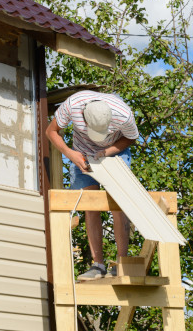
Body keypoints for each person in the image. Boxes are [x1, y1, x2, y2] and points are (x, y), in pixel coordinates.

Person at [45, 90, 139, 280]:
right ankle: (98, 265)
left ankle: (122, 262)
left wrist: (107, 151)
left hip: (115, 152)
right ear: (84, 119)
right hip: (81, 154)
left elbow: (131, 138)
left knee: (118, 203)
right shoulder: (72, 105)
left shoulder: (124, 114)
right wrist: (70, 154)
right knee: (90, 205)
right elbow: (51, 131)